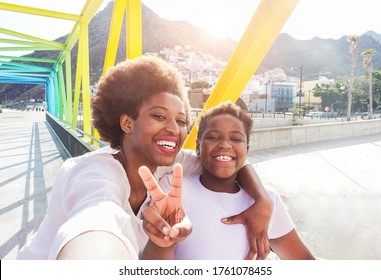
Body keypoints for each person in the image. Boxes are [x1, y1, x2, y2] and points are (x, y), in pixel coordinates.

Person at [16, 56, 272, 260]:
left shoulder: (169, 165)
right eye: (159, 116)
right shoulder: (94, 172)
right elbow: (96, 220)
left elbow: (222, 159)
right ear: (127, 122)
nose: (174, 129)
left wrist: (263, 200)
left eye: (181, 120)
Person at [145, 101, 315, 260]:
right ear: (198, 146)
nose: (225, 145)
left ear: (246, 149)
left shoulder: (268, 202)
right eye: (213, 137)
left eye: (236, 139)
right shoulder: (174, 189)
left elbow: (304, 263)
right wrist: (163, 241)